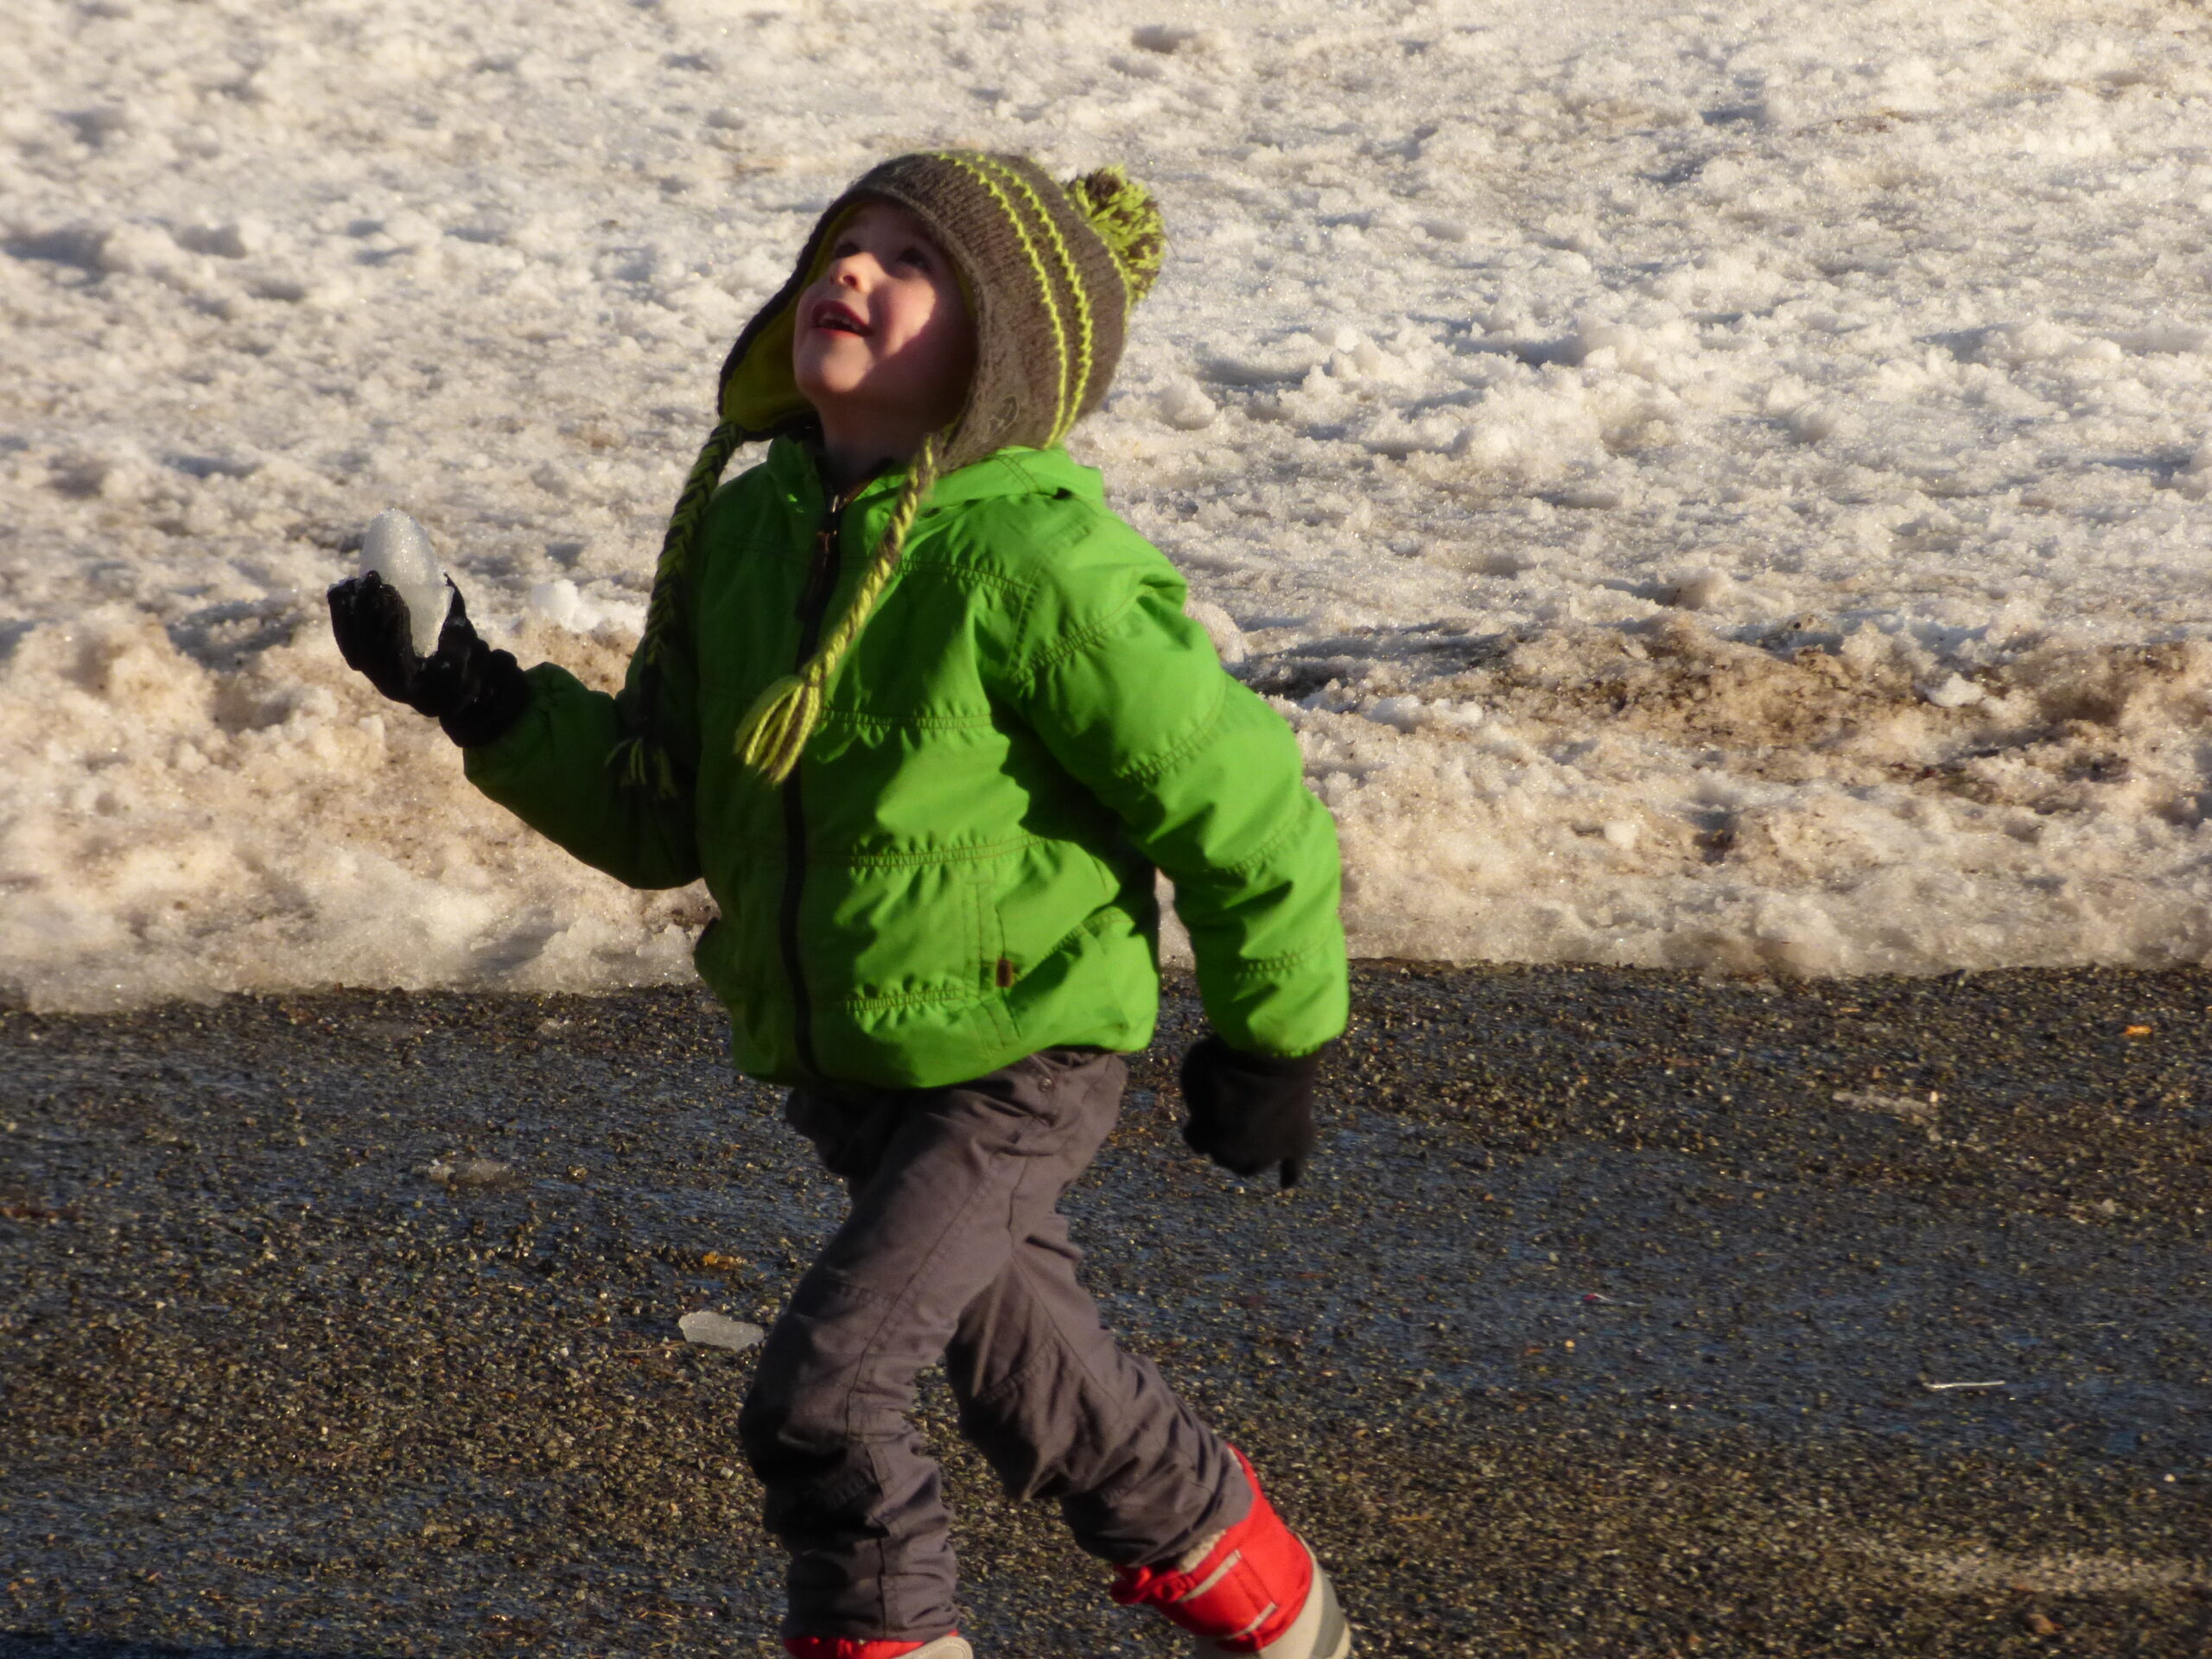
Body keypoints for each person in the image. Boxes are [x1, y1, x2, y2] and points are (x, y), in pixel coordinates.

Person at [327, 150, 1351, 1659]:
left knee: (824, 1400)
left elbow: (1241, 799)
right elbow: (661, 808)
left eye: (909, 260)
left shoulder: (1033, 560)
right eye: (842, 242)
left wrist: (1276, 1040)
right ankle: (1293, 1623)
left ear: (1003, 349)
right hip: (850, 1071)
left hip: (1013, 1056)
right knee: (1049, 1397)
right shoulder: (749, 539)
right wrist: (471, 692)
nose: (849, 272)